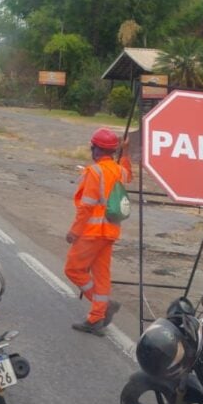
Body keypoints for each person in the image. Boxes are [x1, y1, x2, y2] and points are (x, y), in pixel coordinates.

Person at [65, 127, 133, 335]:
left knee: (73, 270)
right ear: (112, 151)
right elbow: (128, 174)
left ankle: (101, 307)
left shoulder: (94, 172)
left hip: (91, 232)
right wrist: (126, 152)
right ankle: (96, 320)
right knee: (102, 275)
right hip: (110, 231)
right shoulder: (119, 170)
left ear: (95, 149)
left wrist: (74, 232)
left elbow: (87, 205)